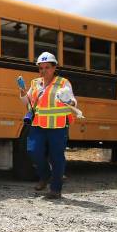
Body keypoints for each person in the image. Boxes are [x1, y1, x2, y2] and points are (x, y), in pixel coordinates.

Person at [18, 51, 77, 199]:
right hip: (38, 125)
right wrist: (22, 91)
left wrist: (69, 101)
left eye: (47, 67)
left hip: (58, 126)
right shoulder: (35, 83)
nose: (44, 71)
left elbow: (73, 101)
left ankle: (55, 188)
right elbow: (27, 102)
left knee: (56, 157)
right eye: (41, 68)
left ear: (54, 67)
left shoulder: (63, 83)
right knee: (33, 151)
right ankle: (45, 176)